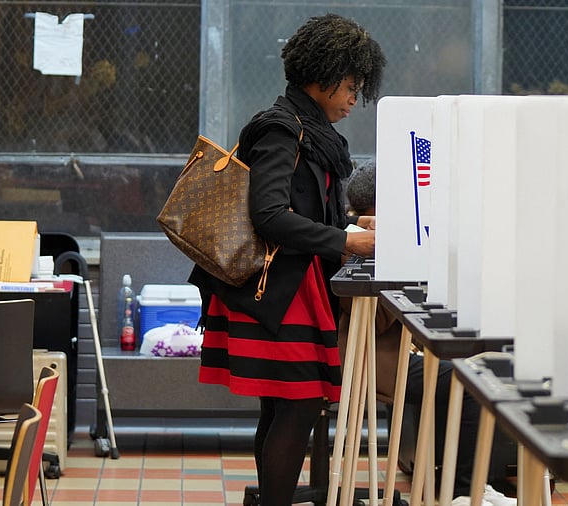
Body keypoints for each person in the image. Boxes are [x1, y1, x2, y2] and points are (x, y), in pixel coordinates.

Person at [188, 14, 386, 506]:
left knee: (280, 410)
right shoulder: (283, 132)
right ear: (323, 78)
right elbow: (271, 215)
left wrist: (354, 224)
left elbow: (306, 206)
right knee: (295, 410)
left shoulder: (306, 130)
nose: (353, 100)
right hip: (276, 292)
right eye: (350, 86)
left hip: (287, 288)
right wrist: (347, 241)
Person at [340, 161, 517, 506]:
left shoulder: (385, 236)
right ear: (377, 207)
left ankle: (469, 484)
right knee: (470, 383)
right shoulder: (357, 242)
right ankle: (464, 491)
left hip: (403, 350)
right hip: (375, 356)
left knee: (470, 370)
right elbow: (372, 321)